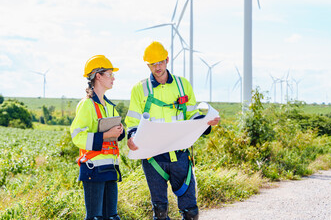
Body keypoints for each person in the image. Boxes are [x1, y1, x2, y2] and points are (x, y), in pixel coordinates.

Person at [125, 41, 220, 220]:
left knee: (191, 211)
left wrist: (206, 123)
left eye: (160, 62)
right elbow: (133, 120)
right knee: (160, 212)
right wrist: (131, 136)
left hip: (180, 155)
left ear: (167, 60)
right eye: (153, 64)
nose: (157, 67)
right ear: (147, 65)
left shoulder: (182, 85)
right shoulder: (139, 89)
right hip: (153, 158)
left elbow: (192, 114)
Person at [70, 55, 125, 220]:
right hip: (93, 169)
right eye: (110, 74)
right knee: (96, 217)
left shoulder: (110, 106)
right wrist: (107, 135)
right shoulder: (86, 105)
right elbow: (76, 136)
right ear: (98, 76)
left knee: (112, 217)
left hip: (110, 168)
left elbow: (117, 136)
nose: (113, 78)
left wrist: (120, 132)